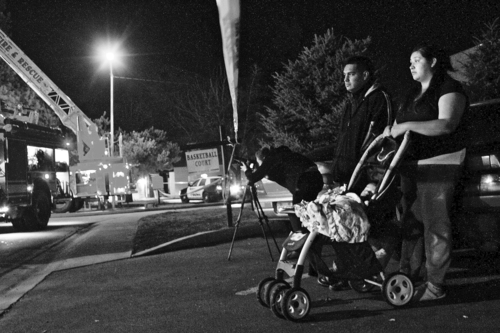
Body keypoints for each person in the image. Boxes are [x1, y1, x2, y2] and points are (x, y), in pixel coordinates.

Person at [384, 43, 468, 301]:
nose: (410, 65)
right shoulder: (411, 94)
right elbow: (397, 127)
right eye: (409, 61)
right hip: (411, 165)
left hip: (441, 162)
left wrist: (407, 125)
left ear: (432, 62)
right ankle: (407, 275)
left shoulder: (449, 88)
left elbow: (446, 124)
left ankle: (436, 286)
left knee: (435, 225)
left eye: (416, 59)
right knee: (411, 223)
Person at [307, 55, 394, 289]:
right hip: (346, 178)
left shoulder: (379, 100)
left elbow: (383, 145)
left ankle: (372, 267)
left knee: (366, 227)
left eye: (351, 74)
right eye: (344, 75)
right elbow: (344, 142)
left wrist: (374, 180)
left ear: (365, 75)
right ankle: (351, 269)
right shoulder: (351, 103)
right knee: (344, 226)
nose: (345, 79)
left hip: (365, 178)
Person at [241, 145, 323, 233]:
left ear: (263, 158)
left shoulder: (270, 158)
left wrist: (246, 170)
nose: (261, 166)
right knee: (309, 212)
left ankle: (302, 237)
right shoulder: (283, 155)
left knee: (298, 213)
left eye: (259, 162)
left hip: (304, 181)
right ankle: (314, 237)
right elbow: (271, 174)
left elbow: (253, 178)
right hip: (317, 179)